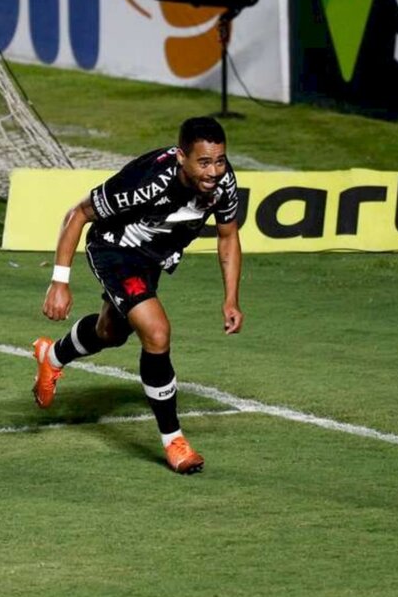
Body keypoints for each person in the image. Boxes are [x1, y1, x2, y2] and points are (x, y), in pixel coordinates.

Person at [32, 116, 243, 475]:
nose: (213, 171)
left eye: (219, 161)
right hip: (114, 250)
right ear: (181, 157)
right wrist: (60, 281)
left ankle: (52, 357)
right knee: (157, 333)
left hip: (151, 259)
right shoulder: (146, 181)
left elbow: (228, 236)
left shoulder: (223, 184)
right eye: (204, 162)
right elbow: (79, 213)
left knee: (110, 333)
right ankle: (174, 441)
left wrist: (230, 299)